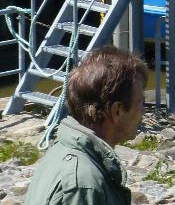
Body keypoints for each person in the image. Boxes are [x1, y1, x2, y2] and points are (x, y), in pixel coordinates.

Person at [26, 47, 147, 205]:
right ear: (117, 111)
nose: (143, 111)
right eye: (141, 103)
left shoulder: (61, 151)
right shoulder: (84, 186)